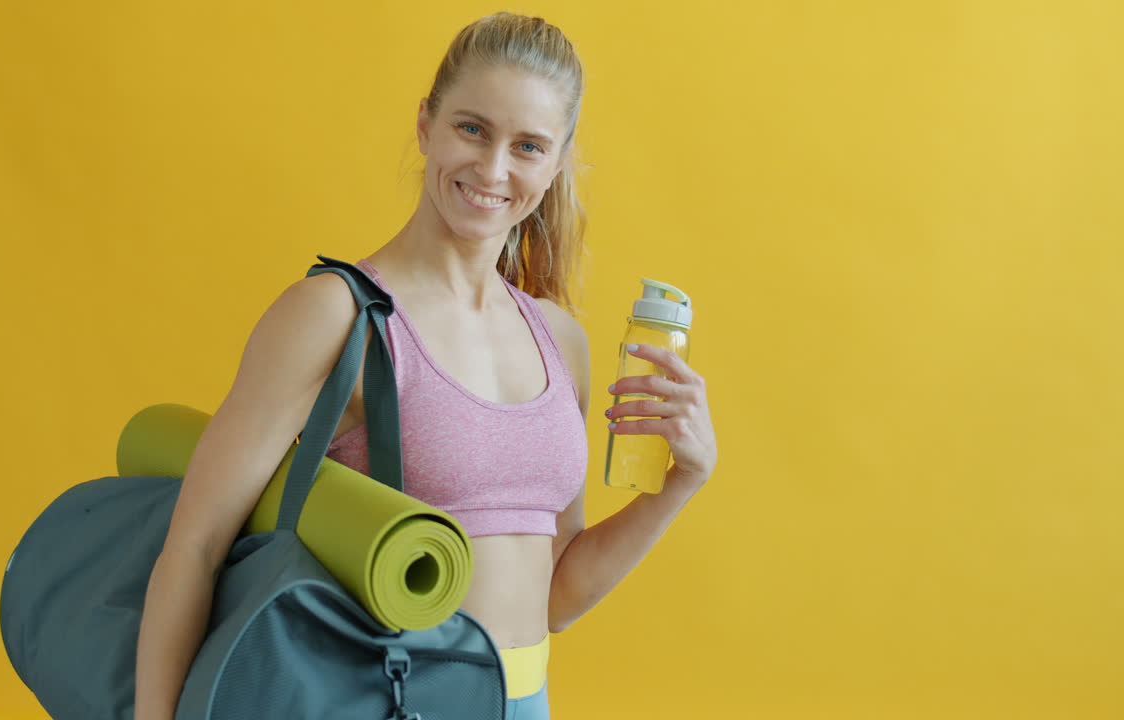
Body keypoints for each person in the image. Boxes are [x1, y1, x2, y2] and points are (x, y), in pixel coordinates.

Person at [134, 11, 717, 720]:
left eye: (527, 146)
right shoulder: (337, 317)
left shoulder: (560, 340)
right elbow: (194, 549)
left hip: (525, 704)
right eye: (472, 129)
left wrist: (680, 484)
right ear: (426, 125)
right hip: (385, 700)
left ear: (558, 162)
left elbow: (556, 598)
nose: (493, 168)